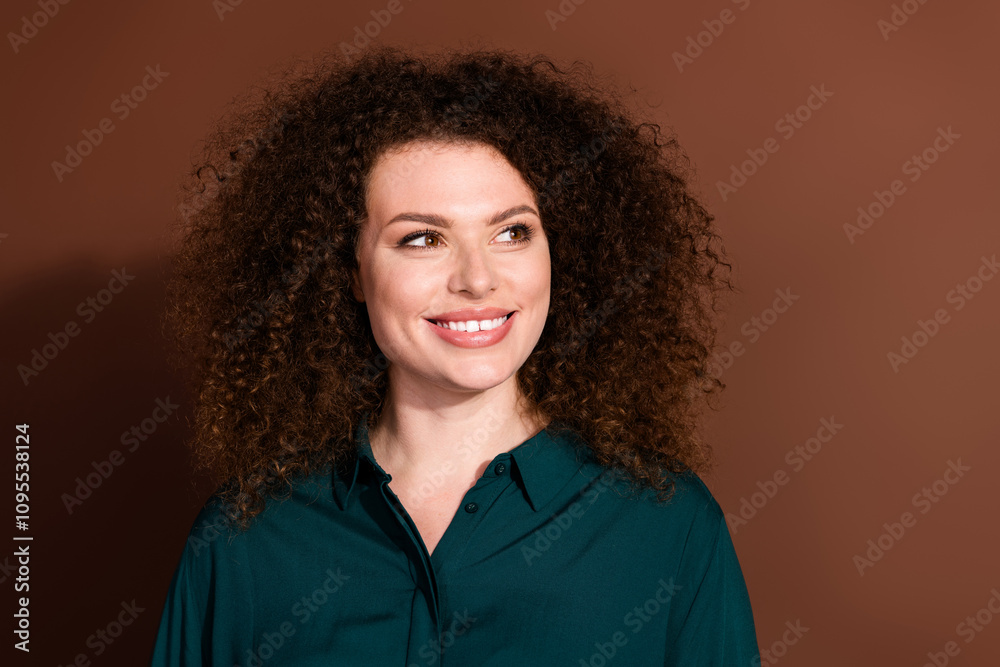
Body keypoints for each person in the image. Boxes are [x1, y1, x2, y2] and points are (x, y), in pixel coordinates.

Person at [151, 43, 760, 666]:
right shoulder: (244, 540)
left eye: (512, 232)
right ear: (351, 272)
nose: (477, 279)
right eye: (422, 238)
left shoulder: (668, 528)